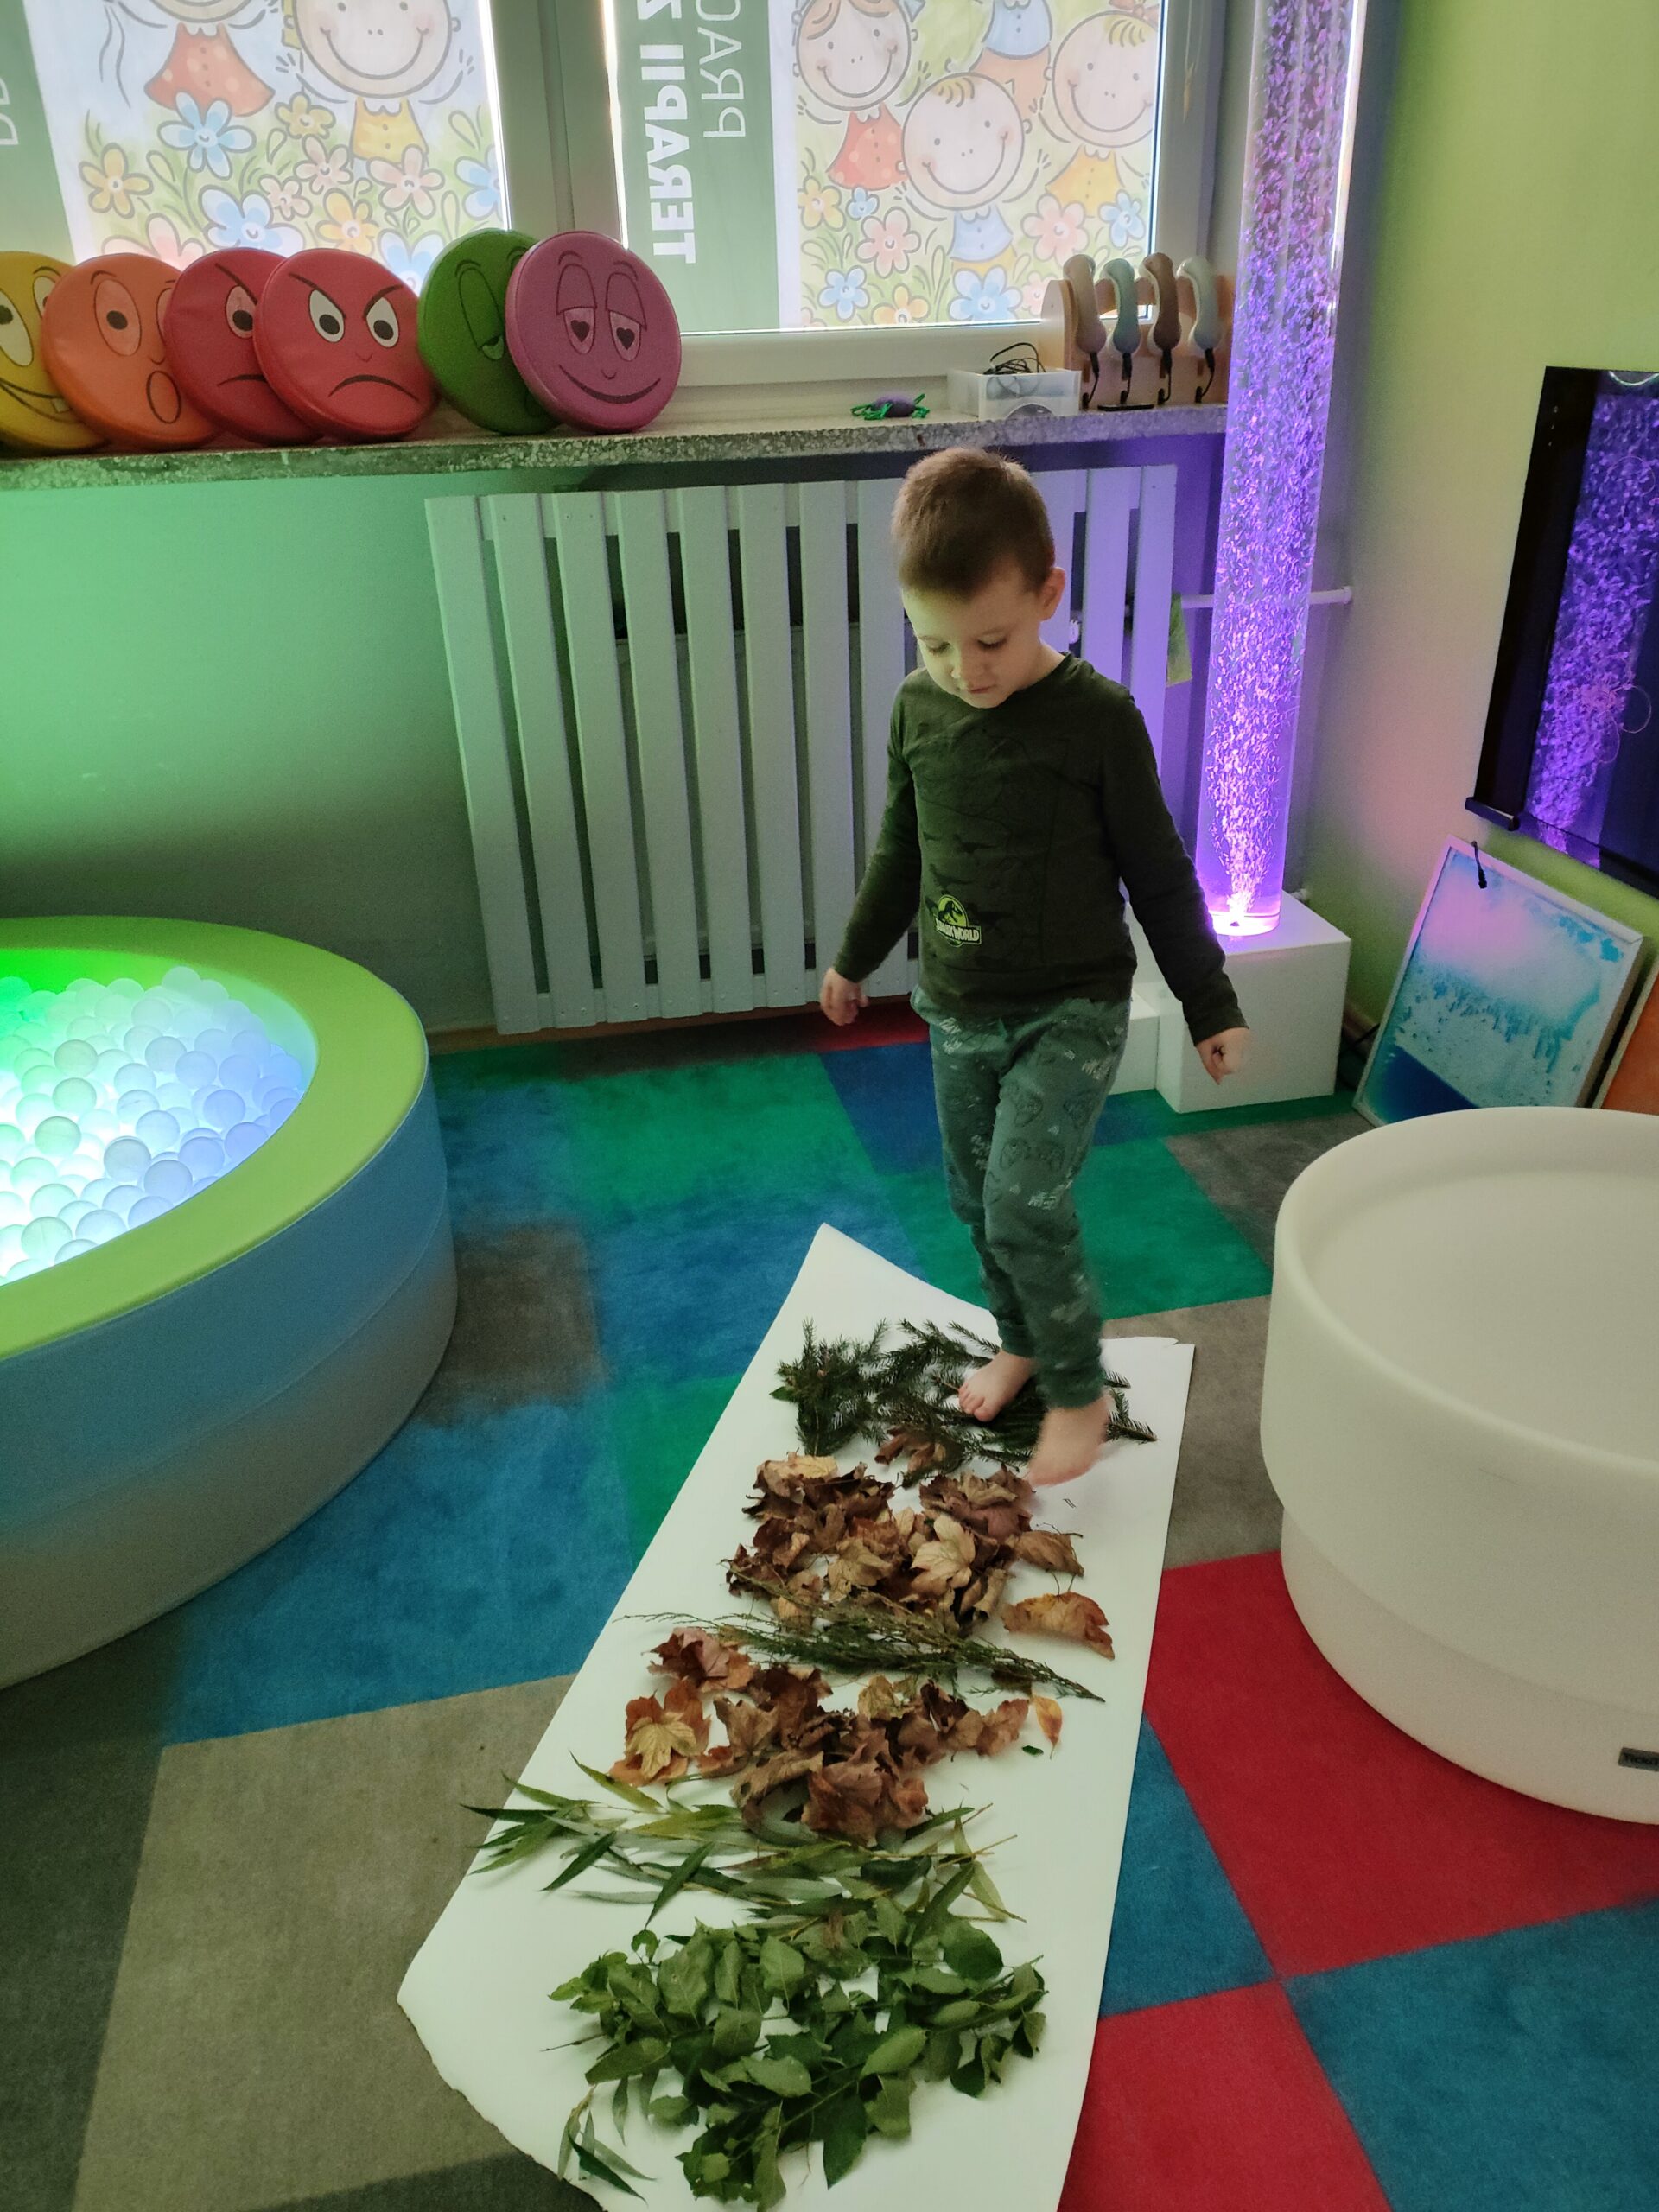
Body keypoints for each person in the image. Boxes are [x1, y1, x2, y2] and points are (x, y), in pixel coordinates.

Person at [821, 447, 1249, 1485]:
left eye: (992, 641)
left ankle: (1076, 1385)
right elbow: (900, 850)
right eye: (935, 642)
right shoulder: (918, 710)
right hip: (958, 1007)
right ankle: (1020, 1340)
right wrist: (853, 960)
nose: (966, 671)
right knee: (975, 1203)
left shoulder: (1097, 720)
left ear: (1047, 596)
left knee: (1023, 1201)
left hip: (1072, 1008)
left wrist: (1209, 1000)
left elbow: (1158, 868)